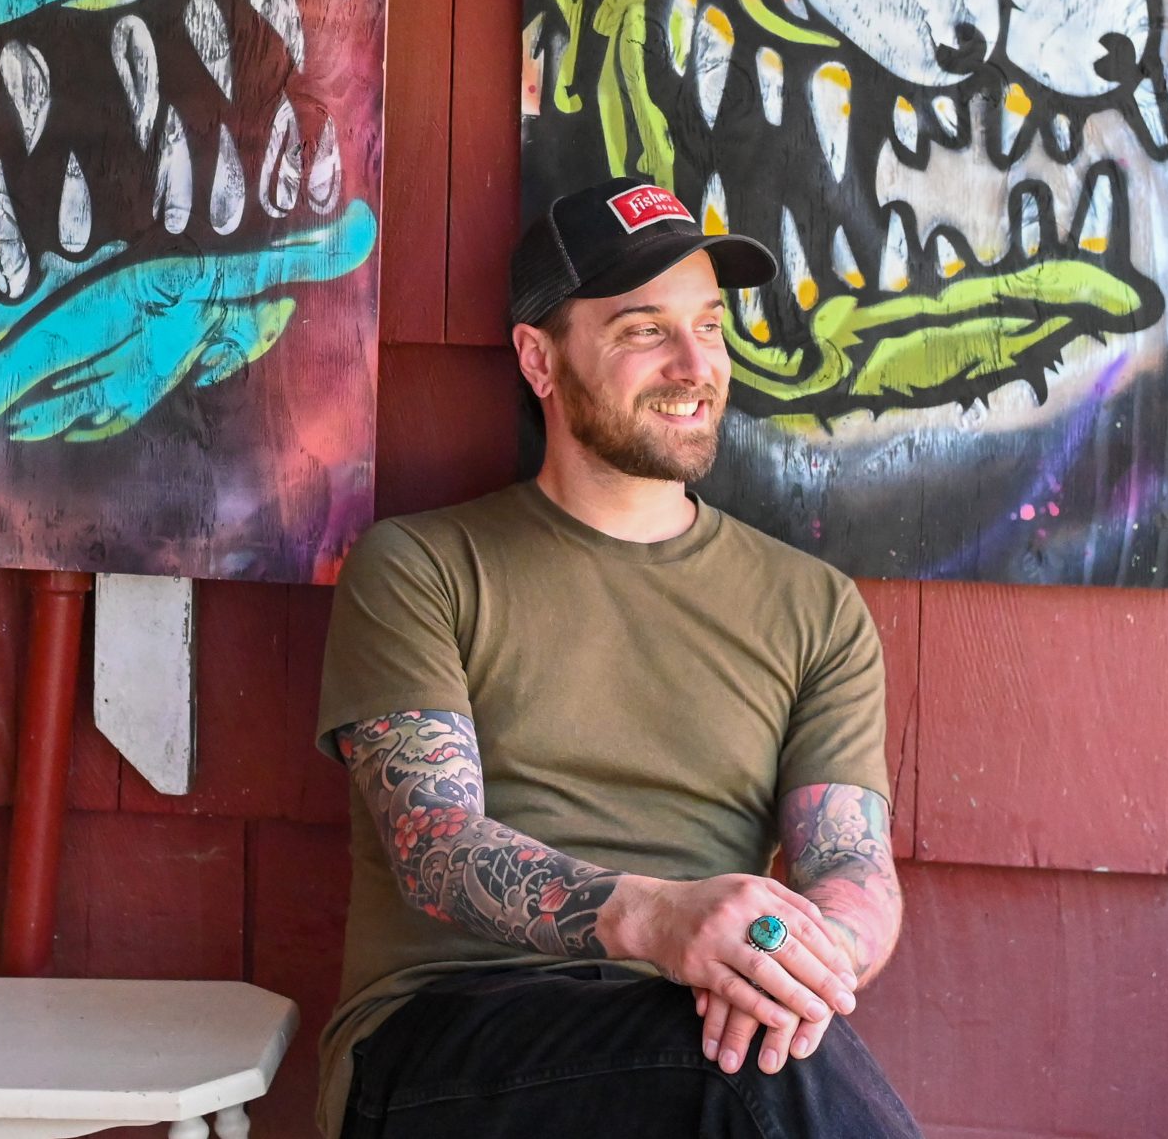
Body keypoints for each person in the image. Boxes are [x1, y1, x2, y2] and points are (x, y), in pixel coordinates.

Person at [313, 175, 920, 1138]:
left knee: (769, 1060)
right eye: (645, 330)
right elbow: (435, 845)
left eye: (710, 325)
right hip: (446, 1035)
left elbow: (851, 863)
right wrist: (663, 921)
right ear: (539, 359)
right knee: (752, 1080)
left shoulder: (814, 609)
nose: (695, 363)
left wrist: (786, 965)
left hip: (701, 1041)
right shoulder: (424, 568)